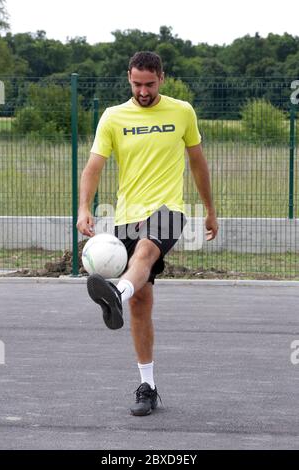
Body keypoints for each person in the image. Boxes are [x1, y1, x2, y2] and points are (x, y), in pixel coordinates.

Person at [76, 51, 218, 416]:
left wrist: (210, 209)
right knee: (141, 304)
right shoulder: (113, 117)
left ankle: (115, 293)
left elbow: (197, 162)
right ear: (129, 78)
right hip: (126, 215)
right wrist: (84, 208)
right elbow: (93, 166)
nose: (143, 91)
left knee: (146, 250)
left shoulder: (182, 112)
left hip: (169, 209)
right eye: (137, 84)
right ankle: (148, 386)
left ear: (162, 79)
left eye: (150, 84)